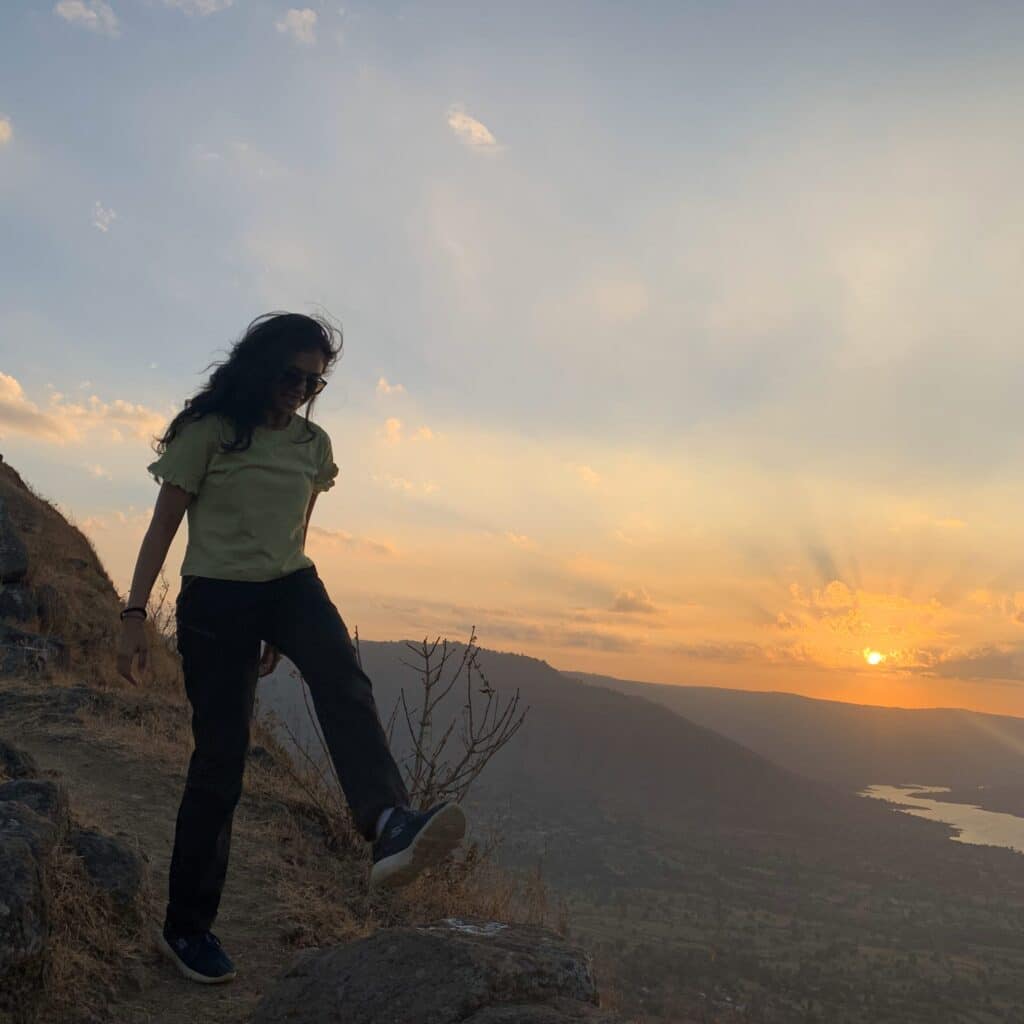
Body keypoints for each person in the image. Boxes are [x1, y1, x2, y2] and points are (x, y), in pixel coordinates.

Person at [115, 311, 466, 985]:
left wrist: (281, 627)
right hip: (216, 600)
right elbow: (164, 524)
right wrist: (134, 613)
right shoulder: (210, 432)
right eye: (290, 375)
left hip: (290, 588)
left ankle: (387, 820)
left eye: (314, 381)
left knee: (342, 674)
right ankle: (185, 928)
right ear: (259, 365)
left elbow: (297, 528)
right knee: (220, 764)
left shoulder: (313, 444)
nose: (300, 390)